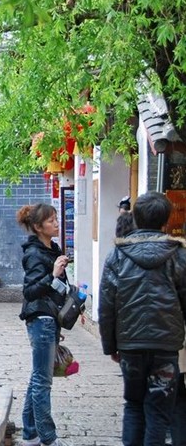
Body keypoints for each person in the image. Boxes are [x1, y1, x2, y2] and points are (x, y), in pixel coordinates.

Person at [99, 191, 186, 446]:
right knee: (158, 411)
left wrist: (110, 346)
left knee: (134, 405)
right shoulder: (178, 255)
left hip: (131, 345)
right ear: (166, 220)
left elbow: (106, 305)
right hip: (166, 345)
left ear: (135, 217)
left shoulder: (117, 255)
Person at [17, 203, 74, 446]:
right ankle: (48, 438)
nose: (56, 223)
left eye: (56, 218)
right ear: (38, 227)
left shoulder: (53, 248)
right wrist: (53, 274)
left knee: (38, 377)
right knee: (43, 381)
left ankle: (30, 433)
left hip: (50, 319)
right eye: (51, 220)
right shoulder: (33, 253)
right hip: (40, 319)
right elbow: (30, 291)